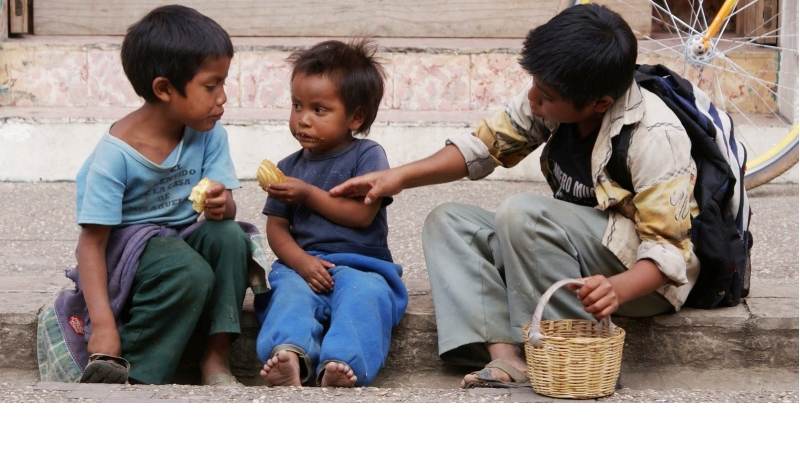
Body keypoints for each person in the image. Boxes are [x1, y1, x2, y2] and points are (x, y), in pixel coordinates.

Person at [331, 4, 698, 388]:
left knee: (522, 213)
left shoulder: (655, 135)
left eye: (547, 94)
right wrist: (397, 177)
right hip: (571, 259)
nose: (534, 98)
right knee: (448, 222)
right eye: (534, 83)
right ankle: (506, 359)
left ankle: (565, 357)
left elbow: (670, 254)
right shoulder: (552, 98)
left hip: (639, 281)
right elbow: (484, 147)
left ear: (600, 103)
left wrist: (618, 288)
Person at [40, 5, 262, 386]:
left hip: (181, 239)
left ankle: (216, 357)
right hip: (128, 249)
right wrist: (105, 326)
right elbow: (91, 246)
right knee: (187, 271)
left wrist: (223, 206)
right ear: (164, 89)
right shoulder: (116, 155)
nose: (223, 97)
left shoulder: (209, 133)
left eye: (223, 83)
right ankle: (136, 373)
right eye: (211, 86)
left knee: (231, 238)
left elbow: (224, 212)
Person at [254, 39, 407, 388]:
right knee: (288, 296)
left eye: (319, 110)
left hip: (361, 265)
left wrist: (308, 194)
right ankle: (288, 355)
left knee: (365, 298)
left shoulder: (367, 156)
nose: (302, 120)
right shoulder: (287, 167)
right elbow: (277, 228)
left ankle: (342, 363)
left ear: (355, 117)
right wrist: (300, 262)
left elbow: (361, 216)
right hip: (303, 265)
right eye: (297, 106)